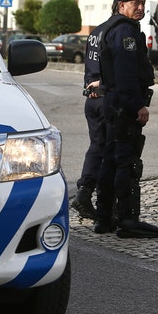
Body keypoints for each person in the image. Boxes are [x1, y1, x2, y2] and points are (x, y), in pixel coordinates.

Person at [95, 0, 158, 238]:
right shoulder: (125, 32)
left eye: (143, 3)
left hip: (114, 102)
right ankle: (126, 219)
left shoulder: (113, 27)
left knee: (110, 160)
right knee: (126, 163)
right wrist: (137, 106)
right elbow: (125, 74)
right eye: (135, 3)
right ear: (121, 6)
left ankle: (104, 219)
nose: (141, 7)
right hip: (124, 105)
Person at [70, 23, 105, 220]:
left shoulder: (96, 32)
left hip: (92, 96)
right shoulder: (118, 31)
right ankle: (103, 201)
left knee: (97, 146)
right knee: (109, 150)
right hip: (106, 97)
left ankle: (85, 190)